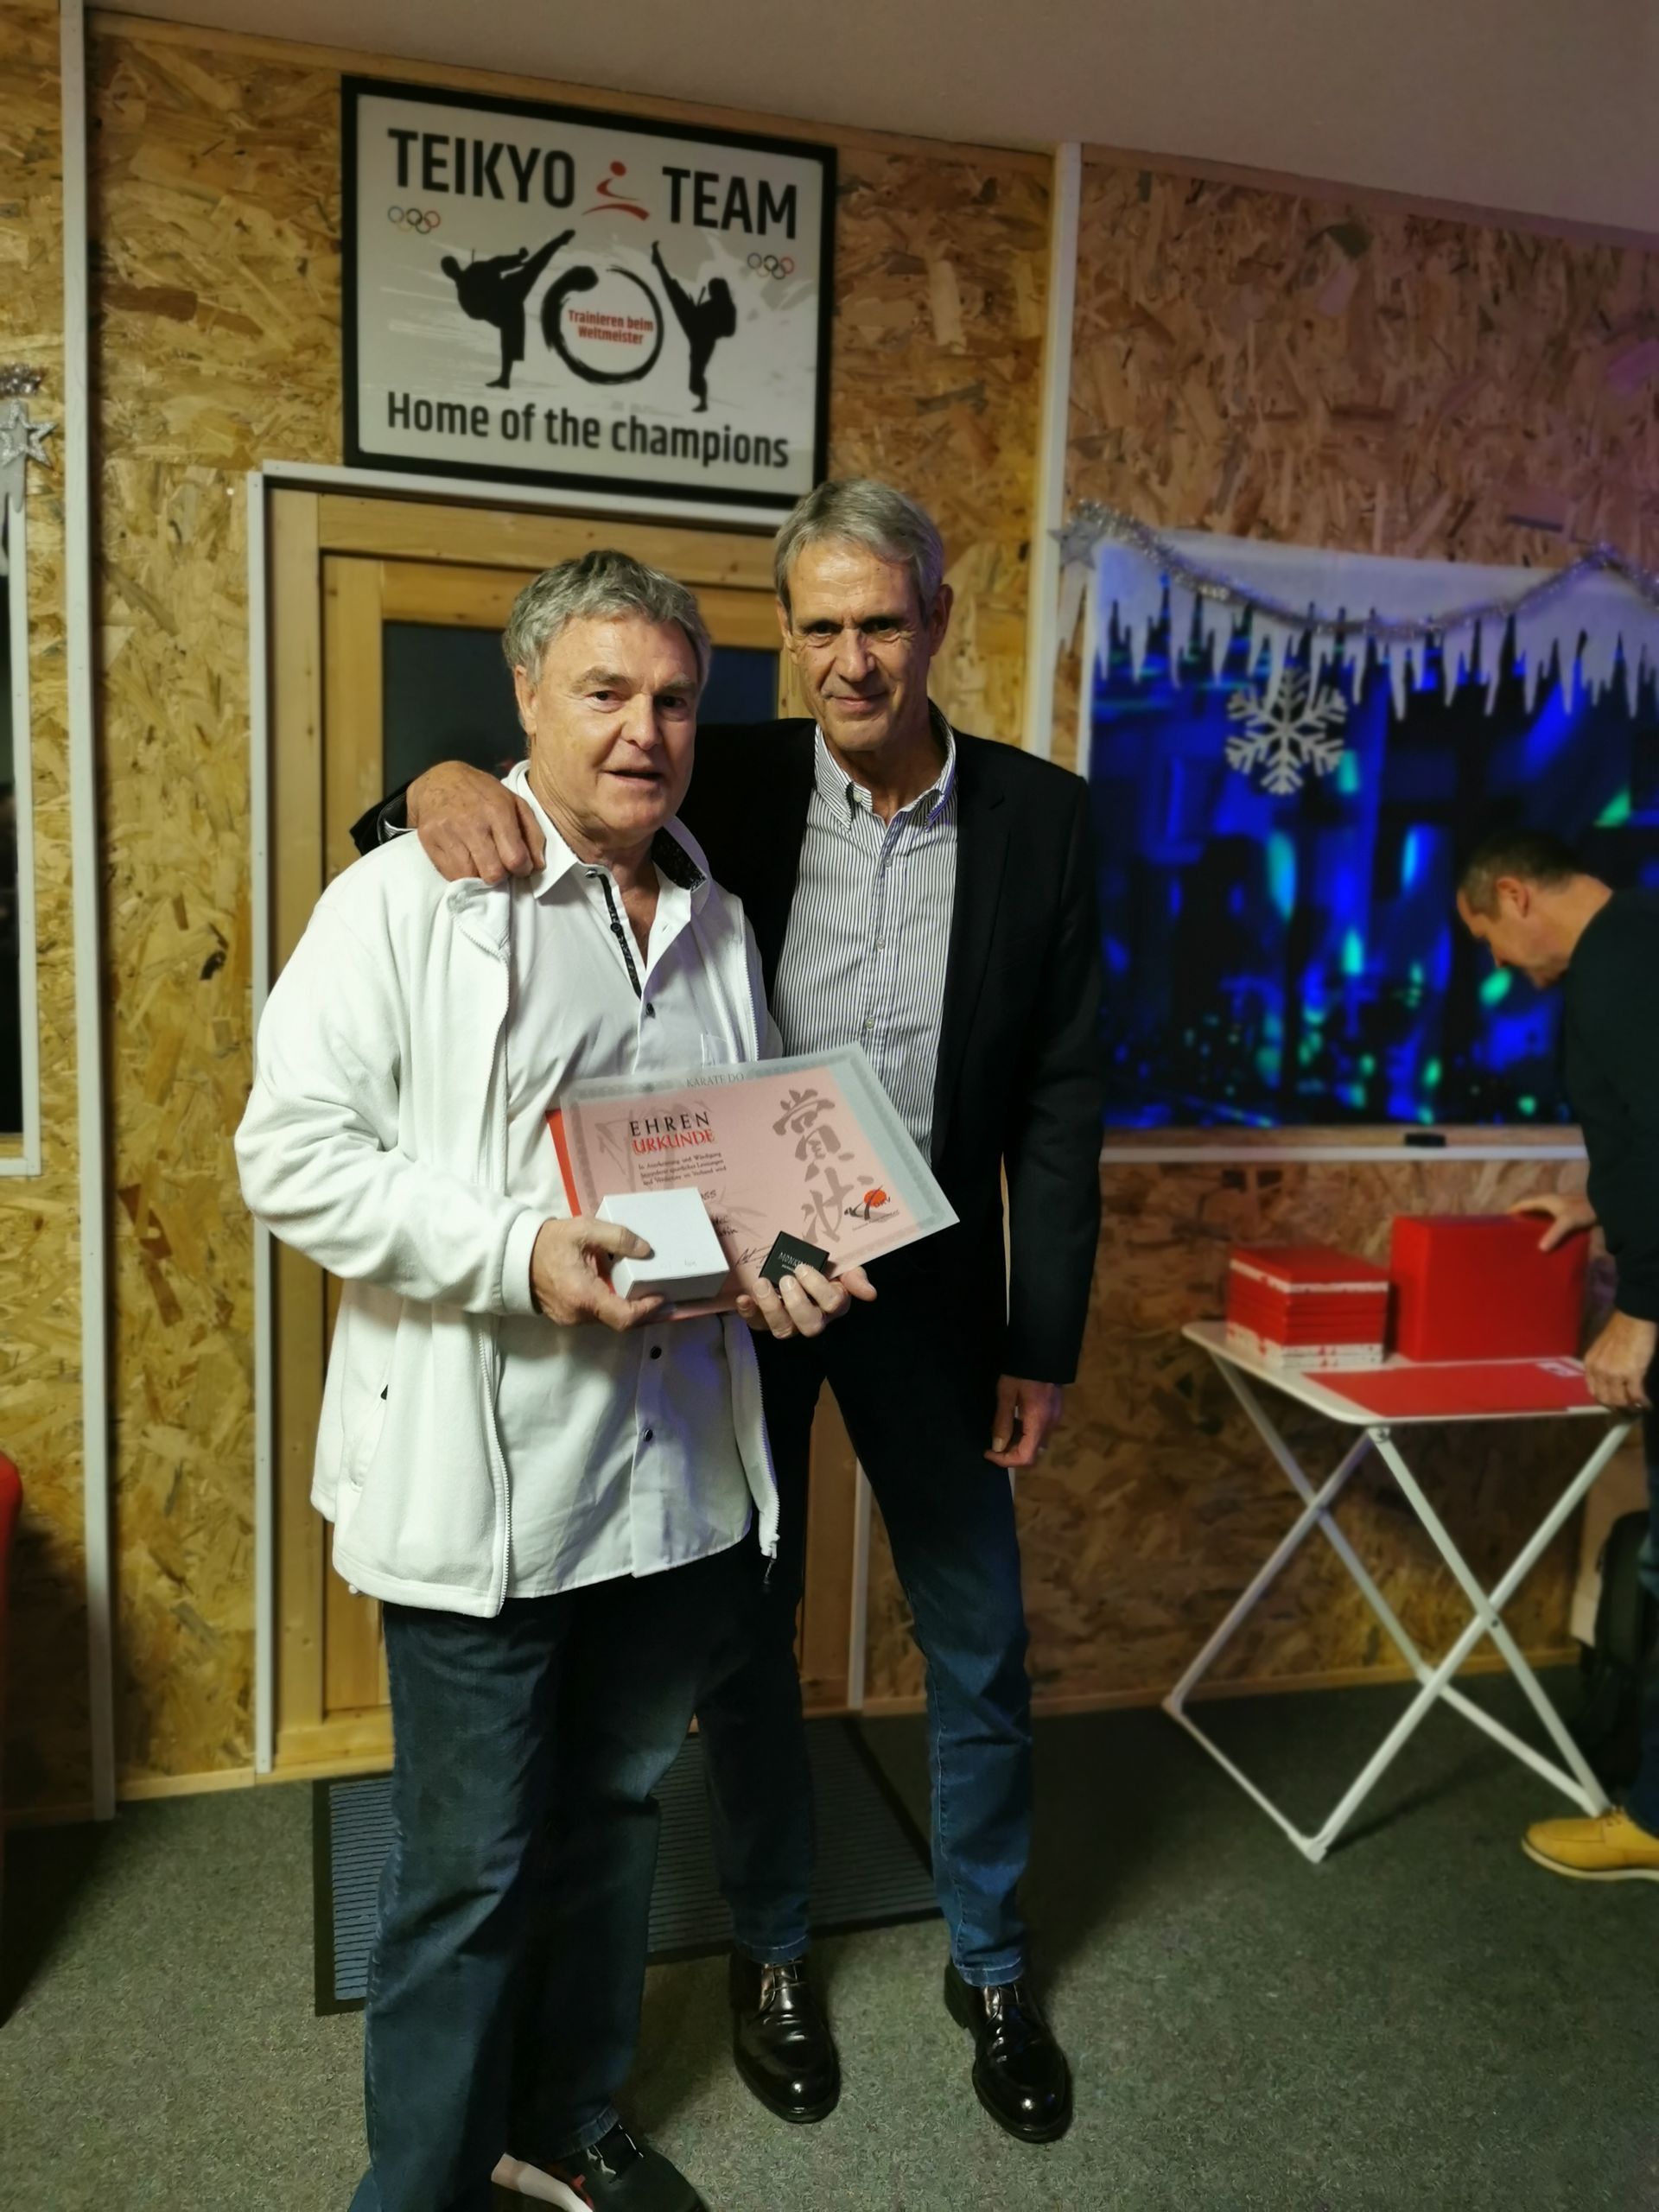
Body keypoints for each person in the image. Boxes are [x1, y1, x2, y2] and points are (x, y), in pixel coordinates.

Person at [356, 480, 1105, 2145]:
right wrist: (431, 781)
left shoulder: (1045, 821)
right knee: (742, 1642)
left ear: (936, 621)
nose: (852, 659)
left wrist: (1041, 1337)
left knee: (979, 1634)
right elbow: (507, 814)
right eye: (819, 627)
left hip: (926, 1288)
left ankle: (990, 1963)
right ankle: (774, 1951)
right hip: (733, 1283)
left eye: (882, 623)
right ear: (788, 636)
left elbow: (1062, 1100)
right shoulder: (721, 770)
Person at [240, 550, 868, 2212]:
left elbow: (733, 1166)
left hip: (668, 1483)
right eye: (603, 693)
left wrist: (788, 1252)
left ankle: (570, 2116)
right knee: (465, 1875)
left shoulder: (715, 917)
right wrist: (517, 1253)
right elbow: (291, 1157)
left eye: (673, 700)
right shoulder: (408, 900)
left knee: (613, 1819)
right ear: (525, 697)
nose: (644, 731)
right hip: (488, 1480)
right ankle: (424, 2188)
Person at [1456, 828, 1659, 1880]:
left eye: (1487, 937)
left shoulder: (1621, 966)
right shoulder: (1639, 942)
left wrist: (1644, 1309)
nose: (1499, 964)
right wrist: (1596, 1204)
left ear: (1514, 894)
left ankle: (1655, 1823)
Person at [441, 233, 572, 389]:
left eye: (452, 266)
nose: (452, 270)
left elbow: (496, 264)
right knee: (508, 335)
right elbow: (476, 313)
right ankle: (504, 378)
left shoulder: (474, 270)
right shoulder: (464, 295)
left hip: (509, 290)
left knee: (534, 266)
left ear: (455, 265)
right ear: (448, 274)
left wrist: (518, 258)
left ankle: (559, 241)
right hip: (505, 311)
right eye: (449, 269)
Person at [650, 242, 737, 412]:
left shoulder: (726, 307)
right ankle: (658, 262)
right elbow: (700, 314)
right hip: (695, 328)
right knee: (674, 292)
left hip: (702, 338)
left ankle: (703, 401)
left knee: (695, 377)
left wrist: (712, 330)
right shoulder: (717, 304)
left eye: (713, 290)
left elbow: (729, 330)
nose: (711, 293)